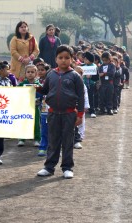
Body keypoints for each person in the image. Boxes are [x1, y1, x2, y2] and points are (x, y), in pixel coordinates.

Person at [37, 45, 84, 179]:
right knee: (53, 141)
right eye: (60, 58)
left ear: (72, 59)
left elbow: (80, 96)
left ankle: (67, 167)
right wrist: (37, 88)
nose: (63, 60)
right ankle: (49, 167)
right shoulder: (51, 74)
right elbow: (46, 90)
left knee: (67, 141)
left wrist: (80, 115)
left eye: (67, 58)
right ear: (56, 59)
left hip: (69, 114)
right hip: (53, 113)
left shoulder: (75, 76)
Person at [17, 64, 41, 147]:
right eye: (28, 72)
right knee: (24, 122)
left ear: (36, 73)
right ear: (25, 73)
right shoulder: (21, 85)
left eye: (32, 72)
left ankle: (37, 139)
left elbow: (42, 94)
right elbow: (17, 94)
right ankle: (22, 139)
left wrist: (38, 96)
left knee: (36, 123)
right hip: (25, 107)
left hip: (35, 107)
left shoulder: (38, 85)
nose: (30, 74)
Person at [36, 62, 50, 157]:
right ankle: (43, 147)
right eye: (38, 70)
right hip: (44, 108)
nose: (40, 72)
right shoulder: (36, 82)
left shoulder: (51, 80)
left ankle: (54, 148)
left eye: (42, 70)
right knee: (44, 128)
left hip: (54, 107)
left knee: (54, 129)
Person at [81, 51, 98, 118]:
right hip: (84, 85)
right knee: (84, 97)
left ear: (89, 60)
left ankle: (92, 111)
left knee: (91, 98)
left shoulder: (94, 66)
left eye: (85, 59)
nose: (84, 60)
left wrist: (91, 76)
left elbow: (96, 77)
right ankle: (84, 110)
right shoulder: (83, 66)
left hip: (91, 85)